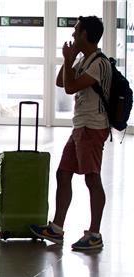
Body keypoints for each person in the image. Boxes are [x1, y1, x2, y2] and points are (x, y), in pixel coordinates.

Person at [30, 16, 111, 252]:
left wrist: (68, 58)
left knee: (91, 178)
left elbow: (70, 87)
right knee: (63, 173)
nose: (73, 35)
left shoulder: (99, 63)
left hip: (92, 127)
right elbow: (60, 81)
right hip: (80, 126)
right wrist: (70, 59)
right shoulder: (85, 60)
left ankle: (94, 233)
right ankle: (56, 228)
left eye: (76, 31)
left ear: (86, 34)